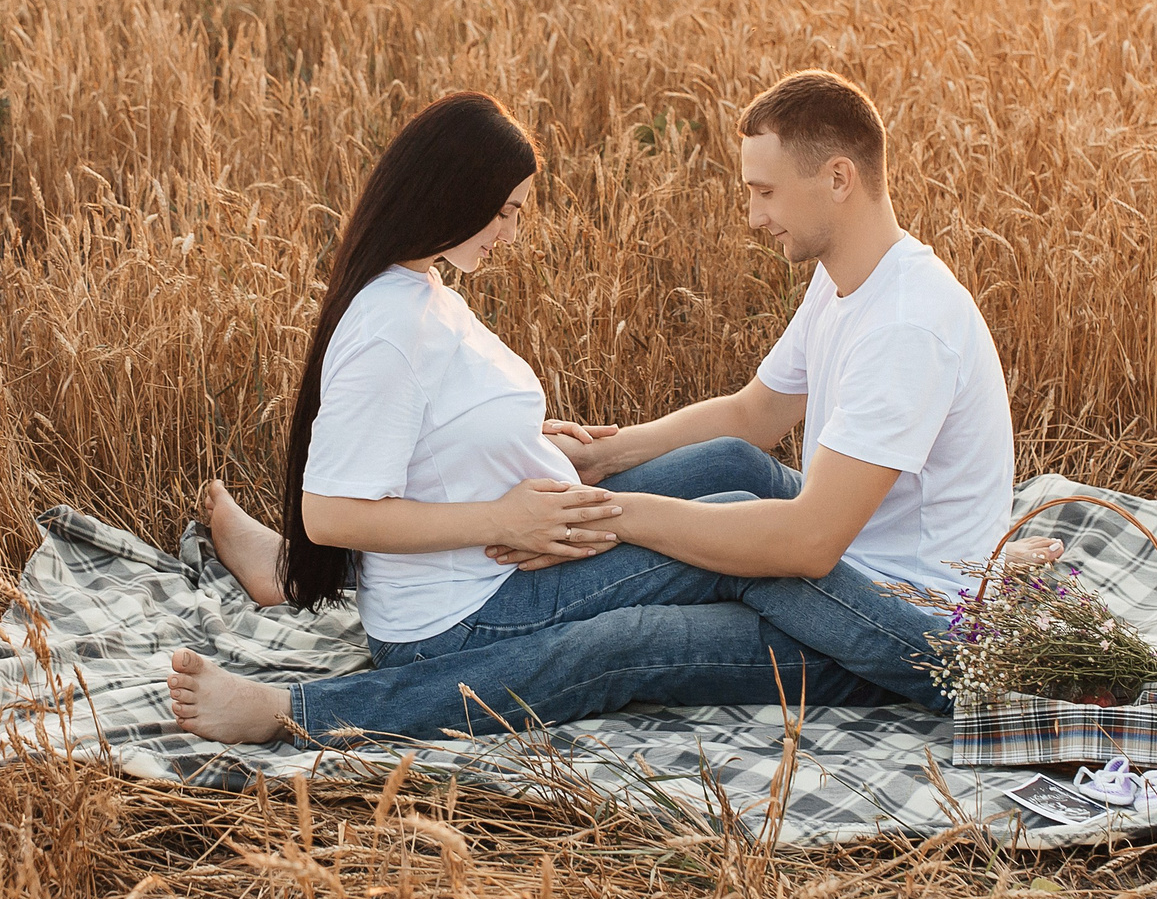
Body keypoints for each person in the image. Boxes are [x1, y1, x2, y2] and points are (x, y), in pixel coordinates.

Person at [170, 73, 1044, 743]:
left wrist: (614, 514)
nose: (750, 216)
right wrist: (597, 459)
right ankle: (299, 574)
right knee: (738, 476)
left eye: (765, 192)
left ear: (839, 179)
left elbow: (806, 543)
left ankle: (962, 670)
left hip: (878, 609)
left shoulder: (903, 327)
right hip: (831, 566)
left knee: (683, 583)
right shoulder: (848, 282)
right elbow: (750, 416)